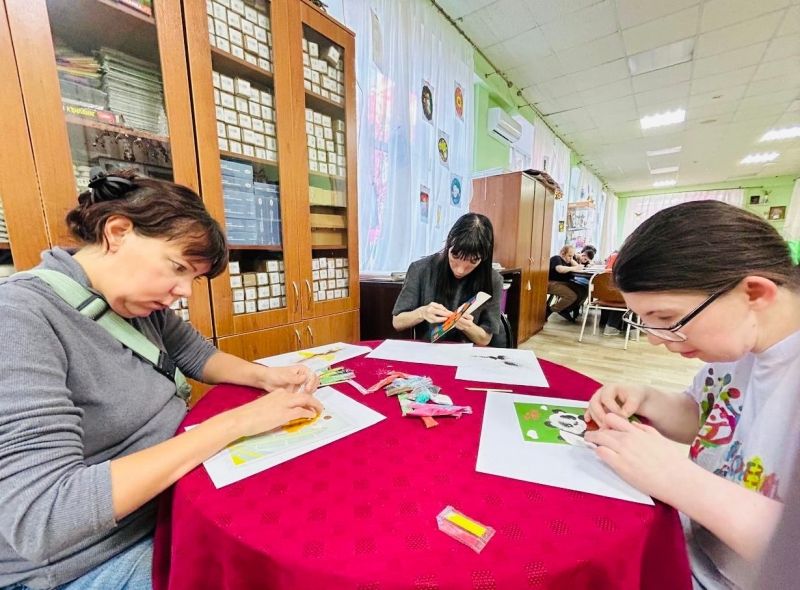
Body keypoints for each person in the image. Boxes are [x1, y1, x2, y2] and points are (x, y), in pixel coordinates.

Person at [0, 170, 322, 590]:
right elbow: (44, 518)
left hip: (173, 495)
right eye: (177, 267)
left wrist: (265, 376)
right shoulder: (18, 319)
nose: (185, 291)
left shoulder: (132, 302)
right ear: (118, 232)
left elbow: (195, 354)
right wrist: (236, 422)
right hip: (94, 554)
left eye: (193, 277)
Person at [582, 201, 800, 590]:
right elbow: (705, 418)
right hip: (687, 553)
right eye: (645, 321)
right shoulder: (740, 347)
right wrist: (645, 397)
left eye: (666, 319)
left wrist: (675, 477)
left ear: (754, 293)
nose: (655, 339)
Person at [392, 212, 503, 346]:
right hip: (428, 352)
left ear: (484, 257)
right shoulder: (421, 270)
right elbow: (397, 322)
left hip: (468, 354)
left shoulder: (493, 280)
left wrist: (468, 327)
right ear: (449, 243)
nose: (460, 270)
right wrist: (422, 313)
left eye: (473, 261)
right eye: (455, 256)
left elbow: (485, 339)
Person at [546, 245, 584, 322]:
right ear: (563, 253)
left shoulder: (568, 262)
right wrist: (574, 267)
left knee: (582, 290)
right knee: (571, 296)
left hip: (564, 283)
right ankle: (550, 310)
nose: (571, 258)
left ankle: (566, 309)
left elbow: (579, 268)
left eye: (572, 256)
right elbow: (559, 269)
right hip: (552, 283)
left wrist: (571, 259)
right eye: (569, 255)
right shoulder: (557, 258)